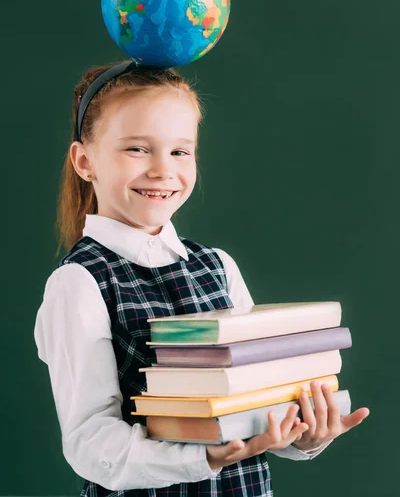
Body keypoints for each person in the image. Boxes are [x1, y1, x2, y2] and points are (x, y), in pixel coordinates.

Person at [34, 61, 369, 497]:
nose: (162, 170)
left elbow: (256, 404)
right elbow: (90, 442)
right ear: (84, 161)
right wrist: (203, 458)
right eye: (137, 149)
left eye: (180, 151)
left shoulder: (218, 265)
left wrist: (305, 436)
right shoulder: (80, 283)